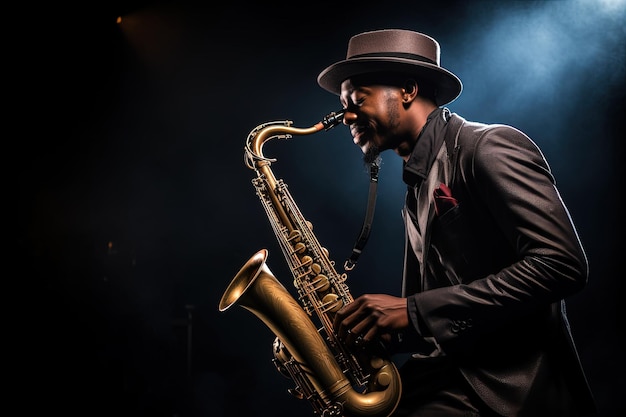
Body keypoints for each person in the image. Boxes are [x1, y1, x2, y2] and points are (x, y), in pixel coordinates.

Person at [317, 29, 596, 416]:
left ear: (408, 90)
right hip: (446, 379)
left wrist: (411, 310)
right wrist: (367, 335)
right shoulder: (415, 188)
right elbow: (432, 317)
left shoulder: (488, 146)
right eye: (344, 104)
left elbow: (562, 263)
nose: (346, 115)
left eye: (357, 100)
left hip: (506, 391)